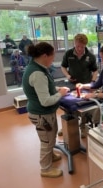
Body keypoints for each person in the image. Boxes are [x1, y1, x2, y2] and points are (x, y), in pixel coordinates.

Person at [22, 42, 69, 178]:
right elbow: (45, 100)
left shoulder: (36, 67)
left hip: (43, 114)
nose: (53, 60)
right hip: (41, 114)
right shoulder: (37, 73)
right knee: (47, 142)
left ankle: (51, 156)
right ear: (44, 56)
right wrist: (61, 94)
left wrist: (57, 89)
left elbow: (44, 89)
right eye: (52, 57)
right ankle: (46, 169)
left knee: (51, 135)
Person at [58, 33, 98, 136]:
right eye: (77, 46)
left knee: (84, 107)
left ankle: (83, 127)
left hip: (85, 85)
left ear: (85, 45)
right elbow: (63, 67)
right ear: (74, 43)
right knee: (68, 106)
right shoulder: (68, 54)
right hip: (72, 84)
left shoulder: (90, 56)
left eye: (82, 46)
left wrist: (92, 83)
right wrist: (67, 76)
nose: (80, 49)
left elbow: (95, 71)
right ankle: (66, 125)